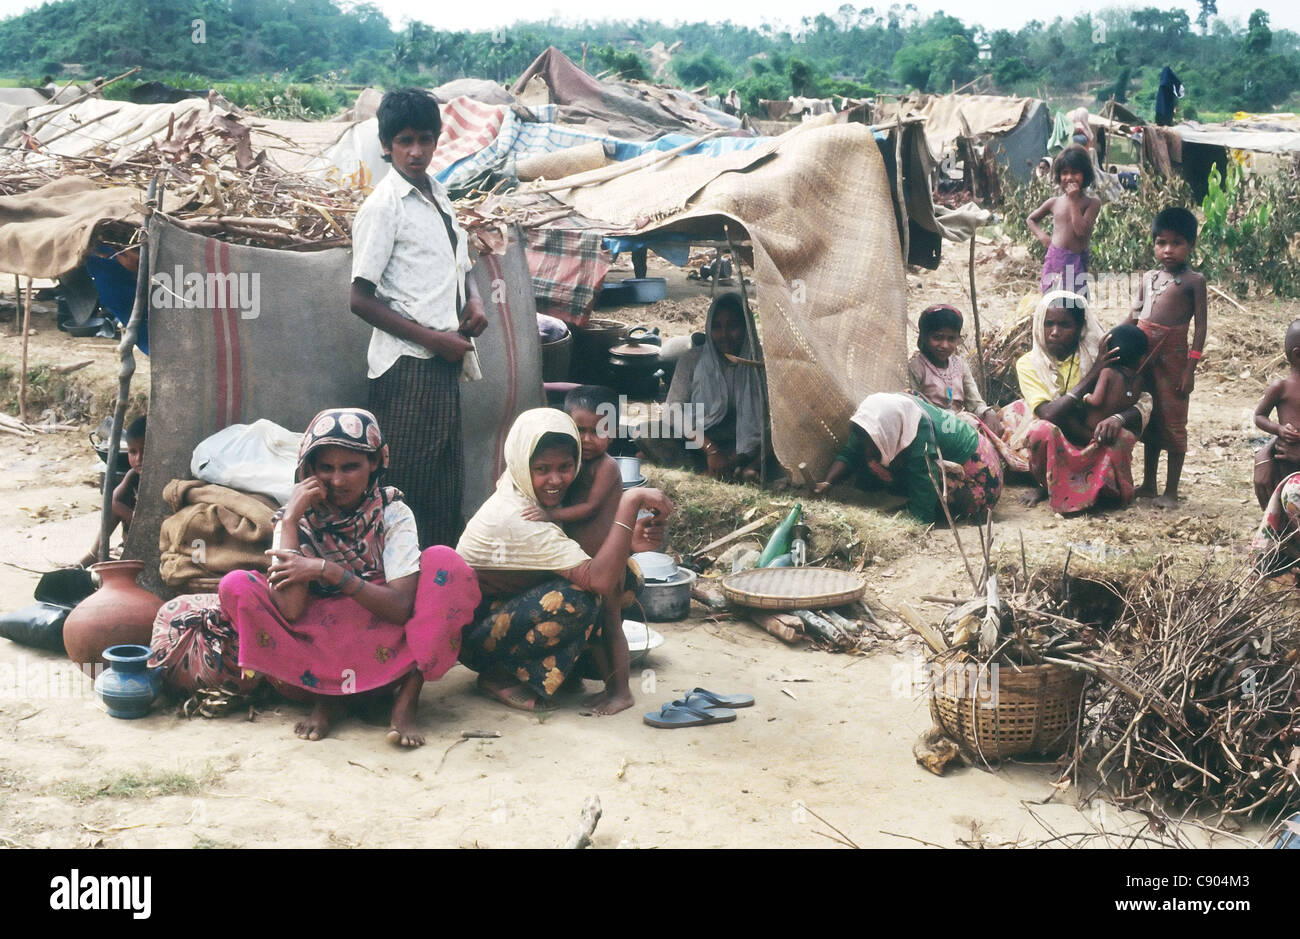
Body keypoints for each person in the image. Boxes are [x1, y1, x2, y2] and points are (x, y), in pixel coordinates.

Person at [151, 408, 480, 748]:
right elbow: (291, 610)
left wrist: (328, 571)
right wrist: (291, 520)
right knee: (236, 584)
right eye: (326, 468)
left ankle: (406, 700)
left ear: (375, 464)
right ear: (309, 470)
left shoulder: (392, 513)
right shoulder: (294, 518)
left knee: (445, 564)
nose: (337, 480)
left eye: (350, 467)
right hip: (318, 646)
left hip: (383, 637)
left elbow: (399, 608)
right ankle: (328, 697)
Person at [456, 409, 672, 715]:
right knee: (582, 597)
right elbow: (597, 581)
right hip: (476, 637)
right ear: (521, 464)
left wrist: (629, 544)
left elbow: (596, 559)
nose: (555, 480)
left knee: (628, 577)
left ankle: (564, 670)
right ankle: (499, 676)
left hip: (509, 609)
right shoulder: (520, 517)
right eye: (542, 469)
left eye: (566, 467)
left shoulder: (524, 486)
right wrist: (630, 501)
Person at [349, 87, 488, 549]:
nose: (416, 151)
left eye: (425, 140)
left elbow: (460, 264)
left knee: (445, 487)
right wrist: (433, 339)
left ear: (437, 140)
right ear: (386, 144)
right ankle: (400, 592)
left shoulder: (438, 195)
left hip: (443, 362)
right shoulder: (384, 206)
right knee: (404, 490)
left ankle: (440, 591)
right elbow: (360, 299)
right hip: (407, 367)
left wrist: (475, 302)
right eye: (404, 140)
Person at [1007, 291, 1152, 513]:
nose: (1054, 332)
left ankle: (1102, 490)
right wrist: (1095, 373)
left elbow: (1142, 400)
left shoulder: (1100, 353)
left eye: (1065, 325)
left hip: (1093, 437)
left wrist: (1118, 418)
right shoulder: (1029, 363)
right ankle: (1045, 485)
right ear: (1039, 326)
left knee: (1122, 436)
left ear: (1080, 328)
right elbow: (1048, 414)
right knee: (1041, 431)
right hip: (1059, 437)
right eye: (1049, 324)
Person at [813, 392, 1002, 524]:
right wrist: (828, 482)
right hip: (953, 457)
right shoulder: (872, 420)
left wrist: (914, 521)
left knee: (911, 482)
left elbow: (926, 482)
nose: (866, 452)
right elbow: (850, 451)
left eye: (873, 448)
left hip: (981, 476)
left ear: (890, 434)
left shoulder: (918, 433)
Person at [1125, 206, 1207, 508]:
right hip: (1143, 355)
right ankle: (1148, 484)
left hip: (1173, 359)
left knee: (1173, 421)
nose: (1168, 250)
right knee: (1149, 418)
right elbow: (1135, 314)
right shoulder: (1149, 278)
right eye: (1161, 243)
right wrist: (1113, 337)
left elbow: (1200, 327)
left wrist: (1191, 368)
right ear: (1153, 244)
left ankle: (1170, 492)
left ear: (1191, 245)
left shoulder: (1194, 281)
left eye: (1177, 243)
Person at [663, 292, 765, 480]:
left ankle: (733, 468)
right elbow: (673, 411)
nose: (724, 335)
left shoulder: (761, 364)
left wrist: (736, 456)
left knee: (777, 442)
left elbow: (770, 422)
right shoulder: (692, 359)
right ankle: (718, 470)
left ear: (747, 327)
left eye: (733, 326)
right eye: (716, 327)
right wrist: (710, 449)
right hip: (701, 441)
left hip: (745, 445)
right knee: (649, 433)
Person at [521, 385, 623, 557]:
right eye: (580, 430)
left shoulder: (607, 466)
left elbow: (591, 507)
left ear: (613, 434)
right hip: (572, 551)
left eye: (597, 432)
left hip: (600, 554)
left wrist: (550, 515)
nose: (587, 440)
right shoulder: (569, 460)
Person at [907, 304, 1004, 438]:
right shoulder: (916, 367)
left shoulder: (960, 365)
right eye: (937, 337)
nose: (944, 345)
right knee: (969, 426)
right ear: (924, 337)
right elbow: (915, 409)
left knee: (1005, 417)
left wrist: (988, 413)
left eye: (951, 339)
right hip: (935, 428)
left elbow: (974, 402)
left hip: (964, 422)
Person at [1027, 146, 1099, 299]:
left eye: (1075, 172)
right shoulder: (1054, 202)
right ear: (1059, 176)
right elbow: (1031, 219)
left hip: (1076, 261)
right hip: (1054, 259)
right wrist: (1044, 238)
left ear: (1085, 174)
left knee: (1074, 302)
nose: (1070, 177)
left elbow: (1081, 231)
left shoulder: (1092, 203)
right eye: (1065, 173)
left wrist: (1073, 201)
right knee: (1050, 298)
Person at [80, 416, 145, 567]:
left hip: (155, 538)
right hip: (137, 531)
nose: (139, 458)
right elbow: (111, 502)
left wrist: (131, 516)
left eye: (145, 451)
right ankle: (94, 553)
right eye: (132, 452)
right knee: (117, 504)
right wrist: (130, 515)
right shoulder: (132, 475)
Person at [1252, 320, 1300, 509]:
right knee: (1281, 494)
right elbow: (1259, 416)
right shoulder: (1281, 387)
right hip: (1285, 458)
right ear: (1298, 355)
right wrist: (1279, 430)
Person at [1079, 324, 1149, 444]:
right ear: (1142, 358)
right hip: (1115, 434)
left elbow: (1096, 400)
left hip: (1093, 430)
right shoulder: (1138, 380)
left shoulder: (1108, 373)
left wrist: (1084, 397)